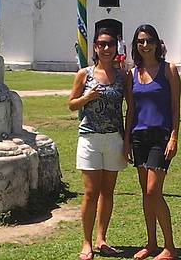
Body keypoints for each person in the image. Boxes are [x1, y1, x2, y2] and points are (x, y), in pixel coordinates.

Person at [68, 28, 128, 260]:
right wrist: (86, 98)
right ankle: (86, 242)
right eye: (101, 44)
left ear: (116, 48)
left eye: (110, 44)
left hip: (114, 138)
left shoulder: (122, 77)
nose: (106, 48)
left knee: (108, 192)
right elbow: (72, 104)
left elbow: (130, 106)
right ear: (95, 47)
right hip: (90, 138)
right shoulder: (84, 74)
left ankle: (102, 239)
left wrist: (128, 139)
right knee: (91, 192)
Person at [124, 24, 181, 260]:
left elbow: (175, 107)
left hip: (160, 136)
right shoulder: (132, 74)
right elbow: (131, 109)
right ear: (136, 45)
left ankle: (170, 247)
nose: (145, 45)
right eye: (140, 41)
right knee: (145, 194)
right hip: (139, 137)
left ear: (157, 43)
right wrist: (126, 140)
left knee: (153, 191)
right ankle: (151, 243)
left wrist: (174, 137)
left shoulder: (169, 70)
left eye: (149, 40)